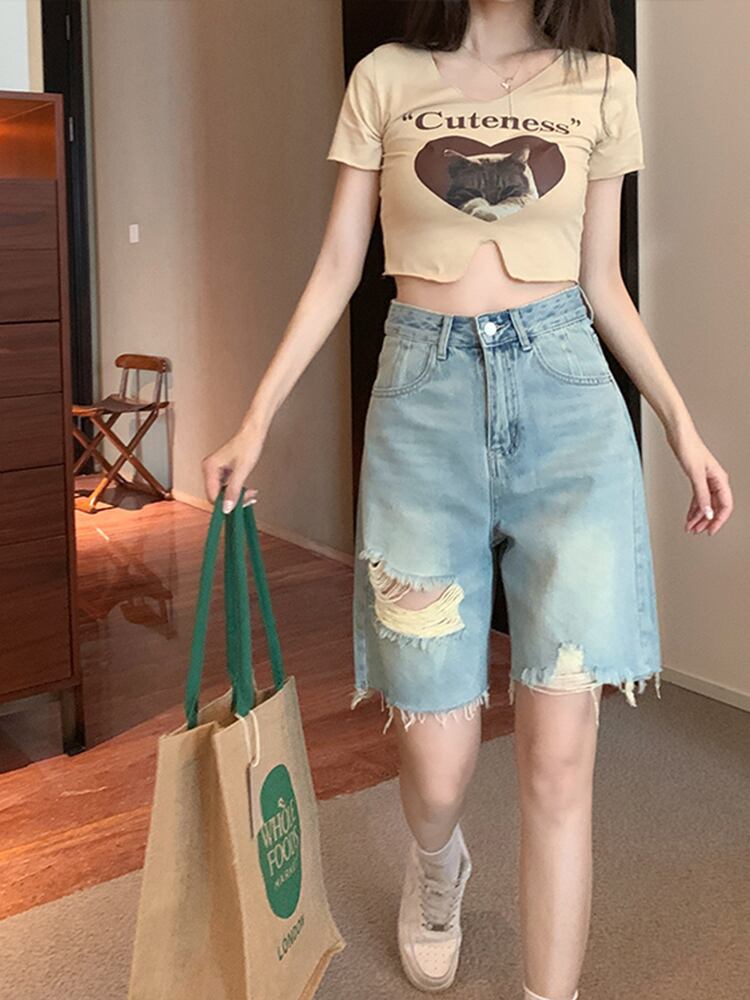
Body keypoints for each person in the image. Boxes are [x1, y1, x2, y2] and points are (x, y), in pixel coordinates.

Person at [202, 2, 734, 997]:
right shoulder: (386, 76)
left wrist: (679, 421)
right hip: (422, 411)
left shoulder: (602, 83)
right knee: (438, 766)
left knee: (559, 761)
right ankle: (437, 860)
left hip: (569, 407)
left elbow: (604, 280)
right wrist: (256, 417)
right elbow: (338, 266)